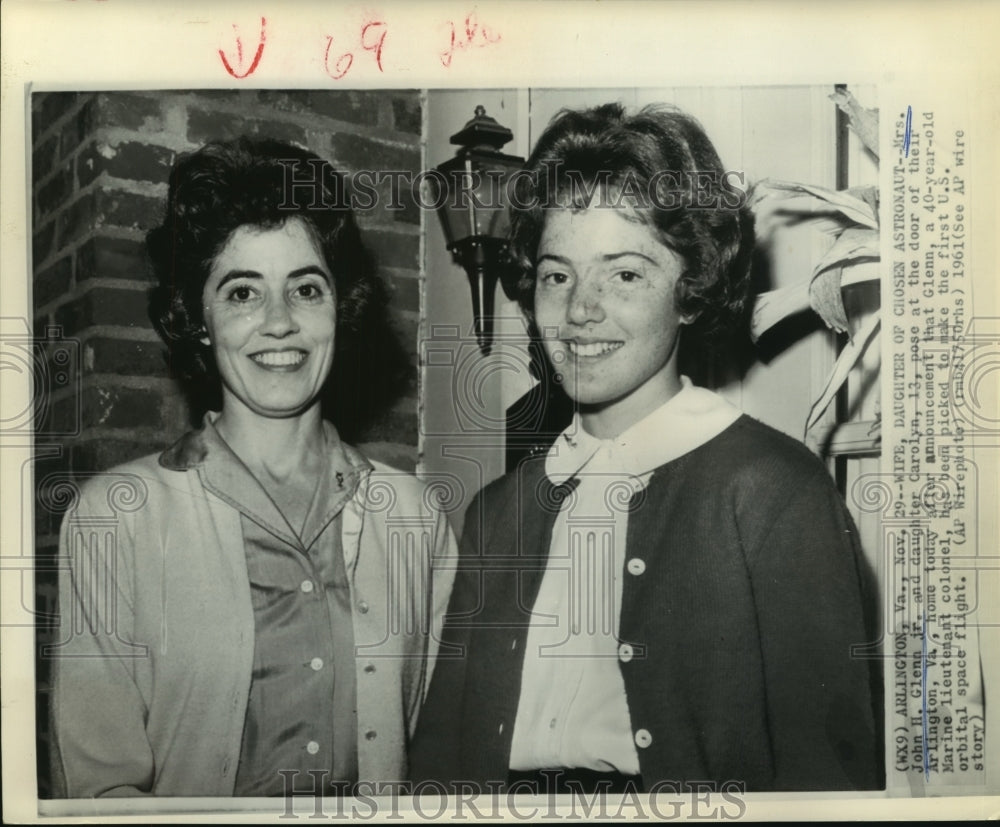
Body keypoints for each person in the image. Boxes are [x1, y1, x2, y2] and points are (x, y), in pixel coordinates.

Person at [409, 103, 882, 793]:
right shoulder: (495, 513)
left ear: (690, 292)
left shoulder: (775, 491)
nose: (579, 310)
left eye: (624, 274)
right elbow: (440, 764)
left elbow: (827, 777)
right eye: (556, 274)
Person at [50, 137, 457, 797]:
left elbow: (436, 758)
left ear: (339, 307)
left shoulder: (415, 517)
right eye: (242, 292)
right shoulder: (115, 519)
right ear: (199, 318)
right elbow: (98, 793)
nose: (278, 322)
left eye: (305, 288)